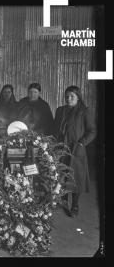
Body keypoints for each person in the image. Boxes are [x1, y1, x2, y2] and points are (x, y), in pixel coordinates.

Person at [53, 86, 96, 217]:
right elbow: (55, 127)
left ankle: (75, 205)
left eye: (72, 96)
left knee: (76, 178)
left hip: (76, 150)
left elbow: (92, 131)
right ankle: (64, 201)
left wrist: (82, 143)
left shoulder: (84, 111)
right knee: (62, 176)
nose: (69, 98)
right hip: (62, 149)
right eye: (67, 96)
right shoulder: (60, 110)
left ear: (78, 97)